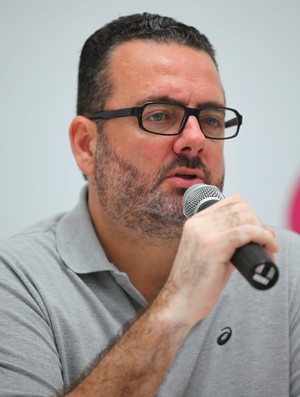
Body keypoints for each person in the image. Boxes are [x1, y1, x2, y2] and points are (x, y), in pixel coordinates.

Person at [0, 12, 300, 397]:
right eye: (159, 115)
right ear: (86, 145)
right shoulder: (16, 282)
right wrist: (176, 305)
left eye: (210, 119)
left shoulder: (285, 267)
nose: (195, 139)